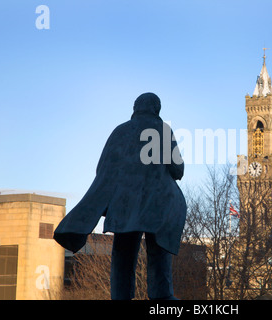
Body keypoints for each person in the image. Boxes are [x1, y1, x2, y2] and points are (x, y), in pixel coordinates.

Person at [54, 92, 186, 300]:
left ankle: (121, 296)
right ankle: (162, 296)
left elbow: (102, 169)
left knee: (123, 253)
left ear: (135, 109)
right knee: (158, 249)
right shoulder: (161, 130)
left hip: (124, 205)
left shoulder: (119, 131)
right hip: (156, 204)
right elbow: (178, 169)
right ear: (156, 109)